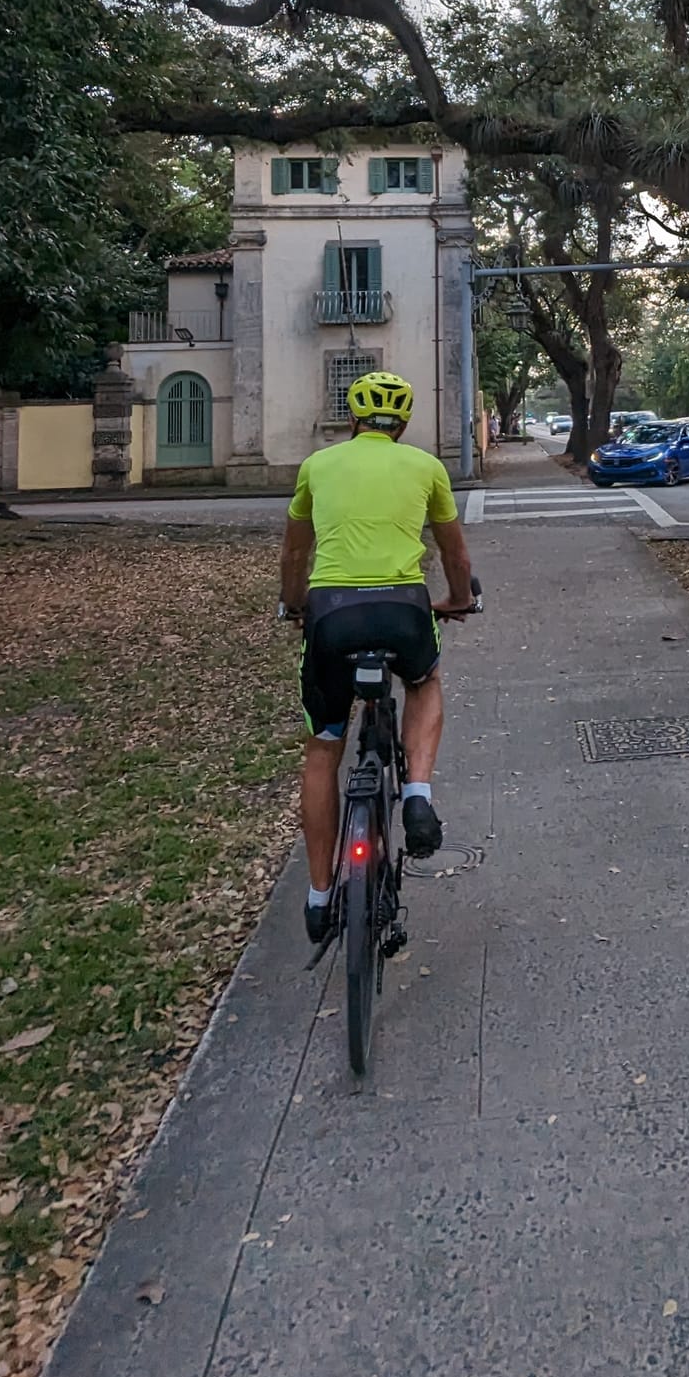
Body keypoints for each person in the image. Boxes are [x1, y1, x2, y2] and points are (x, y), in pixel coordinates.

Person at [278, 369, 476, 951]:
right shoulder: (426, 467)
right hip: (404, 611)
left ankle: (318, 897)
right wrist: (459, 600)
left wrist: (294, 607)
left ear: (352, 419)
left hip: (331, 616)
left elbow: (295, 551)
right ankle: (417, 793)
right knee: (425, 680)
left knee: (322, 751)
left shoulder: (318, 466)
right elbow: (454, 551)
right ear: (404, 424)